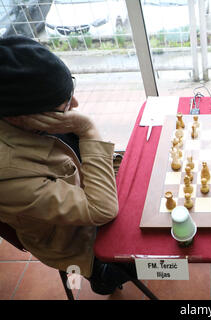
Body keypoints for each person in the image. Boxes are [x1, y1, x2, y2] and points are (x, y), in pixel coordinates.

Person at [0, 36, 134, 295]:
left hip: (88, 201)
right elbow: (102, 209)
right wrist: (87, 128)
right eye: (63, 107)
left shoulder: (29, 114)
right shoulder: (7, 176)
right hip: (74, 242)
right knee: (156, 260)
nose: (75, 106)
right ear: (20, 117)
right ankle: (102, 278)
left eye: (70, 90)